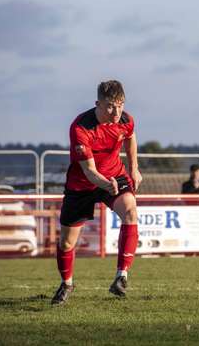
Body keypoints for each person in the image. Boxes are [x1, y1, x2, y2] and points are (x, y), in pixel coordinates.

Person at [51, 80, 142, 305]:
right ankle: (67, 283)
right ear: (97, 104)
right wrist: (105, 184)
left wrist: (134, 168)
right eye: (111, 105)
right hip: (83, 184)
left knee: (130, 210)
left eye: (120, 105)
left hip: (115, 174)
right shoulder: (81, 127)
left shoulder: (125, 120)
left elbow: (130, 137)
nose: (116, 111)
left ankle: (122, 276)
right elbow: (89, 171)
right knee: (66, 243)